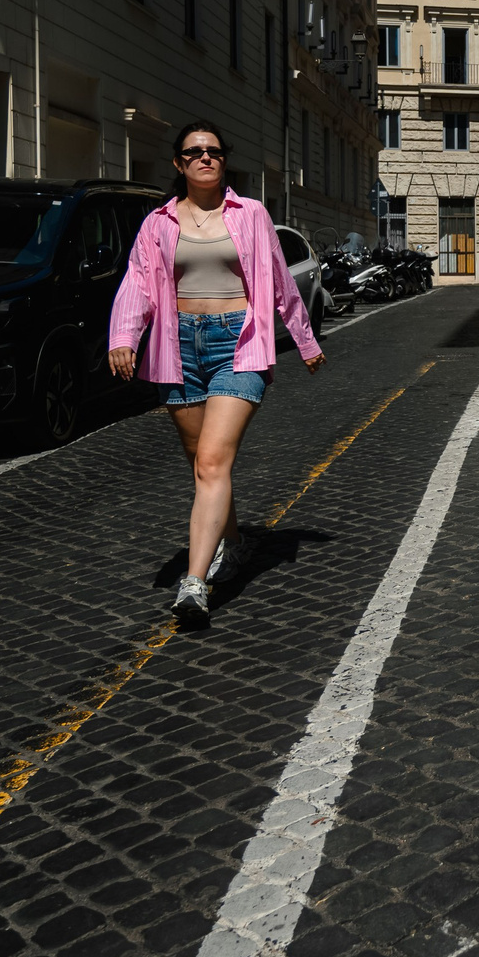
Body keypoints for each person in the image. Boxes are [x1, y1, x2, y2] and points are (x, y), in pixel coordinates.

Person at [108, 120, 324, 622]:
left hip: (238, 344)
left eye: (214, 152)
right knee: (202, 464)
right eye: (194, 152)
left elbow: (278, 283)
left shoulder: (250, 215)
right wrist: (123, 337)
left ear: (223, 160)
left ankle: (194, 583)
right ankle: (233, 539)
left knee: (210, 462)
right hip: (177, 347)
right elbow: (138, 283)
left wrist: (306, 340)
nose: (205, 158)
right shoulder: (158, 222)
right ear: (179, 164)